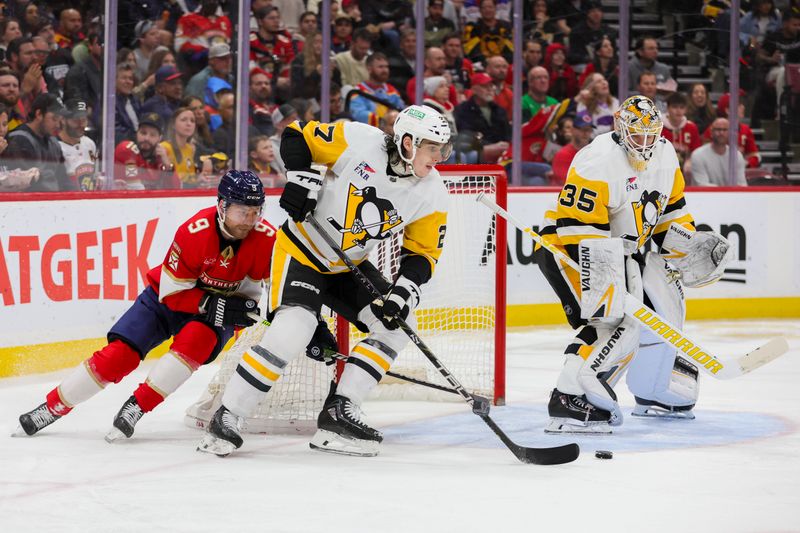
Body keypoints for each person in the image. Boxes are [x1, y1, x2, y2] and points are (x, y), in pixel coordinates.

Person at [197, 105, 454, 457]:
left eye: (444, 148)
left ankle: (339, 412)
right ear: (407, 142)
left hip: (350, 265)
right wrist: (301, 179)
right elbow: (296, 134)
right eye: (433, 147)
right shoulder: (361, 141)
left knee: (397, 323)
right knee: (294, 329)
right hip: (302, 251)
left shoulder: (432, 192)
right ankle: (228, 416)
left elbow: (423, 254)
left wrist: (403, 292)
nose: (439, 157)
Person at [15, 171, 276, 440]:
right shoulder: (193, 232)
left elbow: (270, 289)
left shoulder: (267, 238)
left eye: (256, 212)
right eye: (242, 212)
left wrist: (252, 310)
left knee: (195, 343)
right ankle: (52, 407)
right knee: (120, 355)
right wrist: (211, 302)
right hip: (168, 301)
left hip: (215, 312)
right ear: (222, 206)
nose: (249, 221)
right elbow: (173, 294)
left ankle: (136, 408)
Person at [537, 95, 734, 435]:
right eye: (637, 135)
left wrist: (684, 248)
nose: (644, 143)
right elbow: (580, 231)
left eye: (651, 135)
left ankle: (654, 390)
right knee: (612, 319)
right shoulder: (596, 161)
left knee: (665, 309)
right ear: (620, 127)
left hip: (625, 250)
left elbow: (671, 212)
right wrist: (616, 287)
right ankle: (568, 397)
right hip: (571, 247)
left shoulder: (666, 153)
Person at [3, 92, 71, 191]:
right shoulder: (19, 140)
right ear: (39, 114)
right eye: (55, 118)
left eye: (60, 120)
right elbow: (28, 185)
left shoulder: (53, 142)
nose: (58, 125)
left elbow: (64, 180)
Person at [113, 112, 180, 190]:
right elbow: (135, 189)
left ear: (160, 138)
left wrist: (168, 165)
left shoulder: (160, 159)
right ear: (137, 133)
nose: (146, 138)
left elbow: (176, 190)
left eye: (152, 135)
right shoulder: (127, 149)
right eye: (143, 133)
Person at [350, 52, 405, 126]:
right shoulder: (358, 91)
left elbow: (402, 111)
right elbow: (358, 114)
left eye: (386, 67)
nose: (385, 70)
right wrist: (383, 120)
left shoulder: (392, 90)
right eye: (380, 67)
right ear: (369, 69)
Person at [690, 118, 748, 186]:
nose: (721, 133)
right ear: (711, 132)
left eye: (725, 130)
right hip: (706, 196)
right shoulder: (698, 155)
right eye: (718, 129)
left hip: (731, 196)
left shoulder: (737, 156)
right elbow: (702, 185)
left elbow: (742, 185)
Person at [57, 98, 99, 191]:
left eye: (83, 120)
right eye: (76, 120)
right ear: (63, 120)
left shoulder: (90, 144)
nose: (81, 124)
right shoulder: (55, 147)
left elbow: (95, 176)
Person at [550, 109, 594, 185]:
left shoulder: (594, 152)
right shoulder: (563, 154)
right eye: (583, 129)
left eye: (589, 130)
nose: (586, 133)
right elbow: (567, 183)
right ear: (573, 130)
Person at [661, 92, 701, 172]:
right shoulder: (659, 127)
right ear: (668, 108)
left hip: (686, 169)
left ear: (686, 109)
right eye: (674, 107)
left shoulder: (691, 127)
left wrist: (690, 161)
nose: (678, 111)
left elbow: (697, 152)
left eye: (681, 107)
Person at [161, 106, 199, 188]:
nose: (189, 124)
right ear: (173, 125)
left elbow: (191, 178)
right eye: (183, 120)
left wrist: (199, 178)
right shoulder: (164, 147)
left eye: (192, 121)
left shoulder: (191, 148)